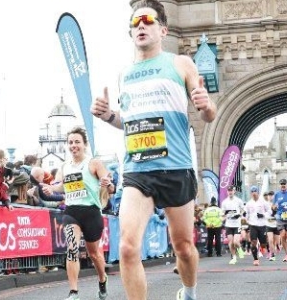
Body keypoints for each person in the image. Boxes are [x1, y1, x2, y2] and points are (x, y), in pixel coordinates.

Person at [90, 1, 217, 299]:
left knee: (183, 247)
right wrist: (108, 115)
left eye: (147, 20)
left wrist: (206, 104)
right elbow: (132, 123)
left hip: (175, 167)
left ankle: (189, 291)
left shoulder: (180, 63)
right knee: (127, 246)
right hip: (137, 171)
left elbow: (208, 115)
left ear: (163, 29)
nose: (141, 26)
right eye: (135, 23)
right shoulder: (124, 74)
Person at [48, 127, 114, 300]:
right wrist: (50, 189)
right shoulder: (65, 166)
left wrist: (107, 184)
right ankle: (74, 292)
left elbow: (111, 187)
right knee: (72, 248)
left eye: (77, 142)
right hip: (72, 212)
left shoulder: (94, 163)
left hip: (91, 212)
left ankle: (102, 278)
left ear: (84, 145)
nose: (73, 145)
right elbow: (60, 186)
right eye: (70, 142)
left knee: (94, 254)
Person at [244, 186, 271, 266]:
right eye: (252, 192)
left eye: (255, 192)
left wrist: (263, 215)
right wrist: (245, 217)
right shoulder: (249, 203)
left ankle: (263, 247)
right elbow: (246, 213)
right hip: (253, 225)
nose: (254, 193)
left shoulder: (263, 202)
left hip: (262, 225)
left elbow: (269, 211)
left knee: (263, 244)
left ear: (258, 192)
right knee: (253, 242)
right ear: (251, 193)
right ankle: (255, 259)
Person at [221, 185, 245, 264]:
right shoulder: (224, 202)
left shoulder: (238, 200)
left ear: (234, 191)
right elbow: (223, 214)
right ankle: (234, 258)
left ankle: (240, 249)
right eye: (229, 191)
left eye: (231, 191)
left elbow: (242, 210)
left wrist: (239, 215)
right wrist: (224, 217)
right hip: (229, 224)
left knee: (236, 242)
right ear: (227, 192)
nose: (230, 192)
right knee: (230, 242)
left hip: (237, 224)